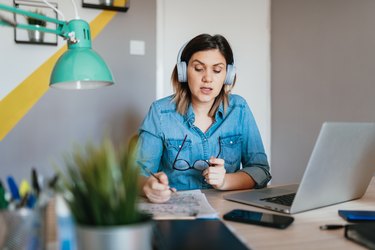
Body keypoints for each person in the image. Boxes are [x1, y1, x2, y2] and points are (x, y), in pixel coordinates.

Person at [136, 33, 271, 203]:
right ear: (183, 72)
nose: (208, 78)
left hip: (225, 211)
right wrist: (148, 185)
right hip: (178, 211)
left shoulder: (239, 109)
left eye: (217, 70)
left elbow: (260, 170)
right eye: (199, 69)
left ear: (227, 75)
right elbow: (136, 175)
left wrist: (225, 181)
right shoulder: (160, 112)